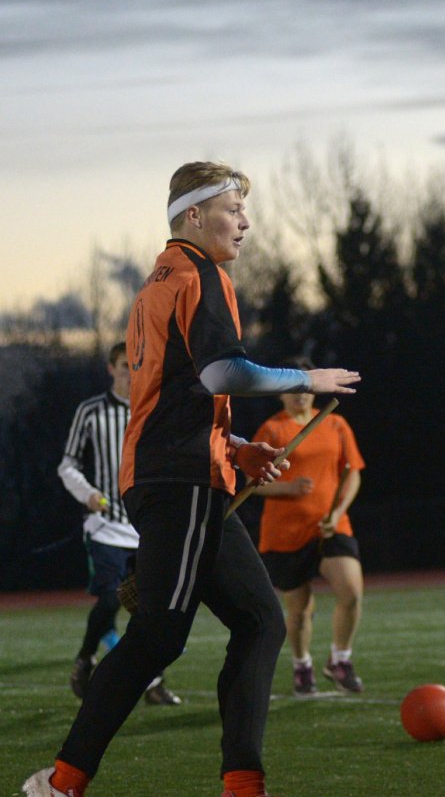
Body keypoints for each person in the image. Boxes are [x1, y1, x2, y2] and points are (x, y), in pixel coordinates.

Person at [23, 161, 360, 797]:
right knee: (157, 636)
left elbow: (172, 395)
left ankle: (243, 783)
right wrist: (304, 379)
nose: (246, 222)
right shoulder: (197, 275)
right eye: (235, 210)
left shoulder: (160, 280)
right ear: (195, 214)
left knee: (261, 622)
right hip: (178, 481)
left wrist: (234, 446)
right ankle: (61, 784)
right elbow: (221, 375)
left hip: (189, 473)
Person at [57, 342, 181, 707]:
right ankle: (85, 659)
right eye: (124, 365)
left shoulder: (154, 409)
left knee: (152, 608)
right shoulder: (91, 411)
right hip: (105, 525)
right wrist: (88, 494)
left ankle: (153, 681)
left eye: (136, 365)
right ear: (111, 369)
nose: (131, 372)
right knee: (112, 597)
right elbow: (67, 464)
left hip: (146, 525)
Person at [252, 366, 367, 697]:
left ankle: (340, 660)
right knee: (299, 612)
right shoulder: (272, 430)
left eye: (305, 386)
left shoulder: (334, 423)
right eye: (293, 387)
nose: (300, 393)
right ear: (281, 392)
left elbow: (353, 473)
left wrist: (339, 511)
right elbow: (250, 484)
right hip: (286, 532)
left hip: (331, 526)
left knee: (352, 592)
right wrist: (286, 489)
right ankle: (302, 665)